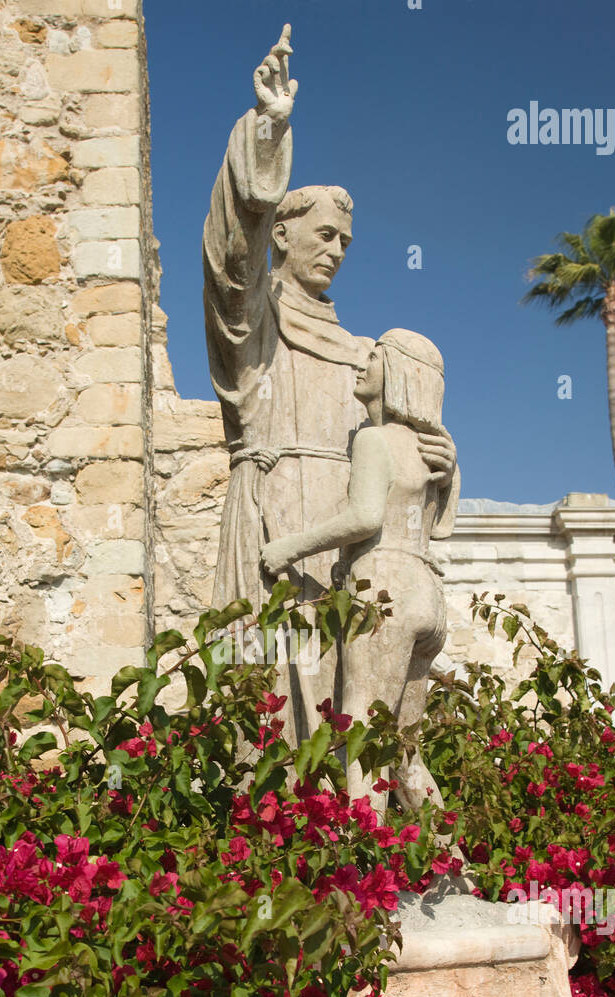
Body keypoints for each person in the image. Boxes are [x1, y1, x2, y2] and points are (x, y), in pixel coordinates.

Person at [204, 25, 456, 742]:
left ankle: (353, 844)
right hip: (277, 514)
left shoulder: (360, 353)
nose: (338, 250)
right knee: (271, 691)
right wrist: (267, 131)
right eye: (323, 235)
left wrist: (443, 463)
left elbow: (407, 461)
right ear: (283, 235)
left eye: (346, 241)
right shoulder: (257, 324)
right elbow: (229, 267)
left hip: (346, 540)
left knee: (348, 706)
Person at [262, 330, 460, 813]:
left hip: (383, 585)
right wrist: (452, 477)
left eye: (375, 355)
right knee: (404, 745)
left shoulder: (375, 439)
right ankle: (452, 861)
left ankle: (360, 852)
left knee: (359, 729)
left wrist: (289, 546)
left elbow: (366, 518)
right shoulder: (434, 450)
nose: (362, 363)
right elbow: (442, 529)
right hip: (428, 592)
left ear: (398, 372)